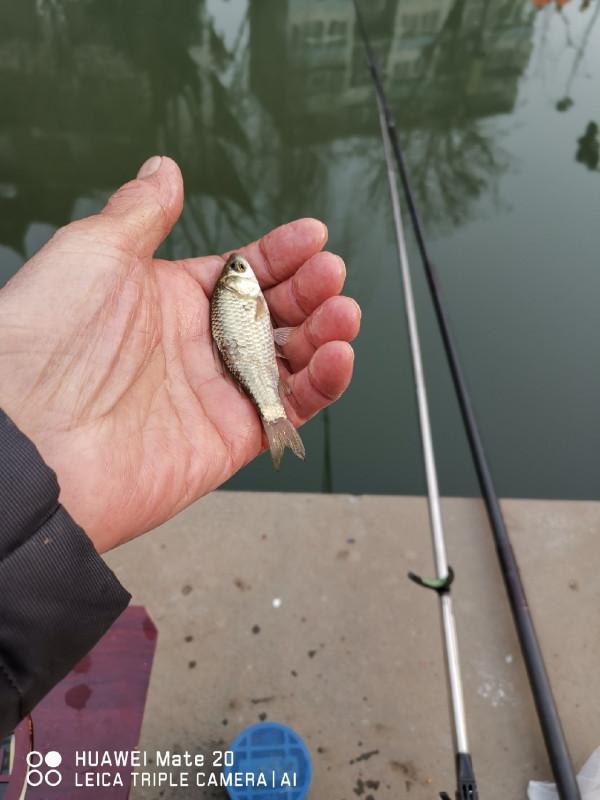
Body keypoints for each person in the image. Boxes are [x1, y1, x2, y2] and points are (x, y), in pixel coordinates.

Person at [0, 156, 361, 737]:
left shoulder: (234, 297)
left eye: (237, 270)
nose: (241, 272)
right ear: (243, 286)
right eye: (239, 271)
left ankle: (273, 417)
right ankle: (275, 419)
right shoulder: (239, 294)